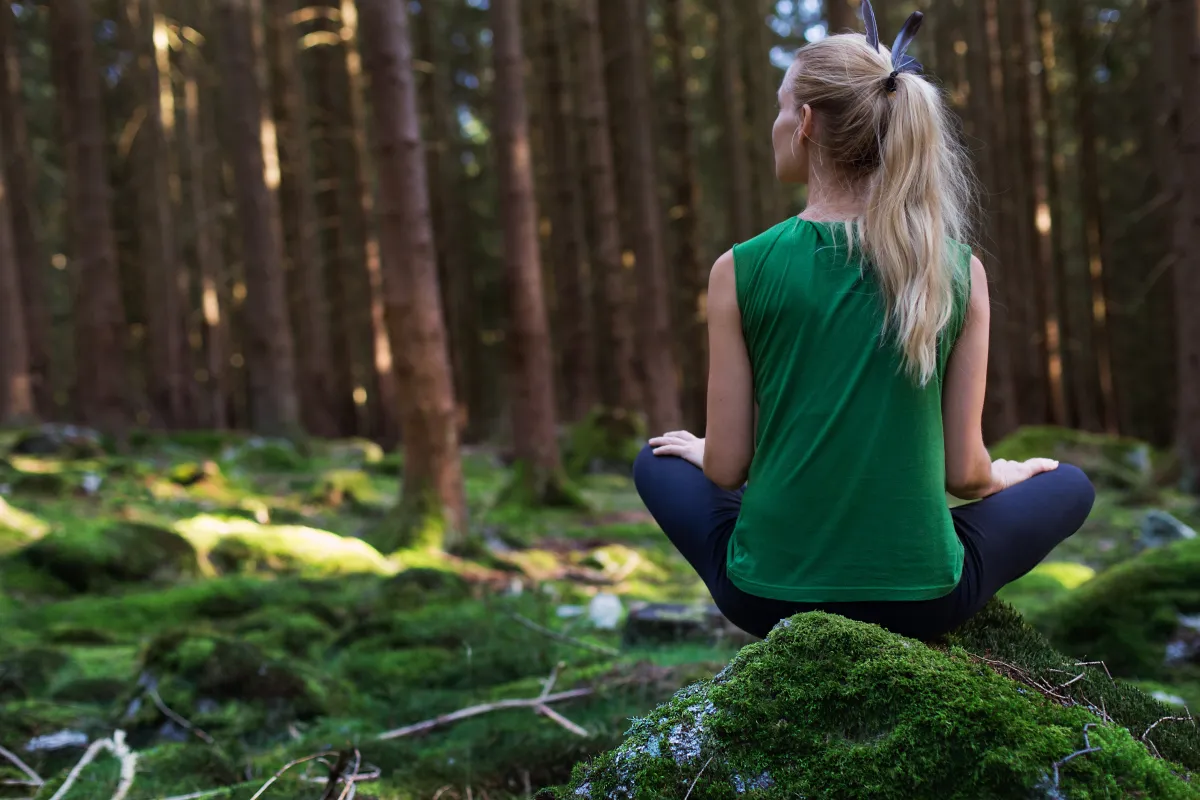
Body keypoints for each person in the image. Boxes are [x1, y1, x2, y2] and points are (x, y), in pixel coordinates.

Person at [633, 3, 1095, 642]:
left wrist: (704, 450)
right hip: (924, 602)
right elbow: (965, 476)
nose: (774, 124)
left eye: (780, 107)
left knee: (655, 459)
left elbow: (725, 469)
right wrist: (1006, 475)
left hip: (766, 599)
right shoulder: (958, 269)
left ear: (805, 123)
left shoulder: (739, 269)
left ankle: (794, 550)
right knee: (1069, 484)